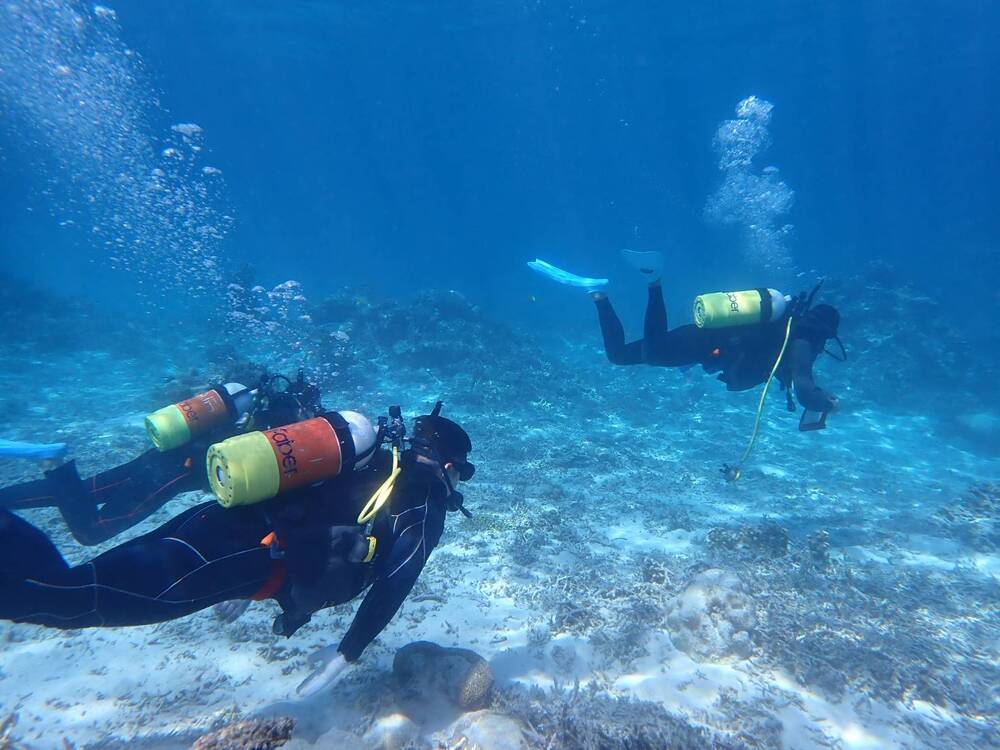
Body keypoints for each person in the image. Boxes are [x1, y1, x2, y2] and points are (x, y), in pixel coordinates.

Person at [0, 405, 474, 697]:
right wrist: (347, 654)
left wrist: (246, 587)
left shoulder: (374, 457)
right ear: (450, 465)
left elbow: (307, 508)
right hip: (236, 558)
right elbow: (394, 581)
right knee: (65, 599)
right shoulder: (423, 505)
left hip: (212, 521)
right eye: (462, 473)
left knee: (71, 585)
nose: (457, 482)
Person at [0, 371, 323, 545]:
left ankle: (9, 494)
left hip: (162, 454)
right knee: (92, 532)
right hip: (173, 475)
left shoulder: (257, 404)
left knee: (84, 492)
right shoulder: (282, 428)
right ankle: (53, 464)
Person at [532, 250, 842, 422]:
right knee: (654, 353)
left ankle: (598, 295)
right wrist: (828, 404)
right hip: (706, 344)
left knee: (618, 355)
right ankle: (654, 280)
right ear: (826, 332)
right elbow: (803, 388)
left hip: (705, 342)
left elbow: (787, 376)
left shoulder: (789, 331)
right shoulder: (802, 340)